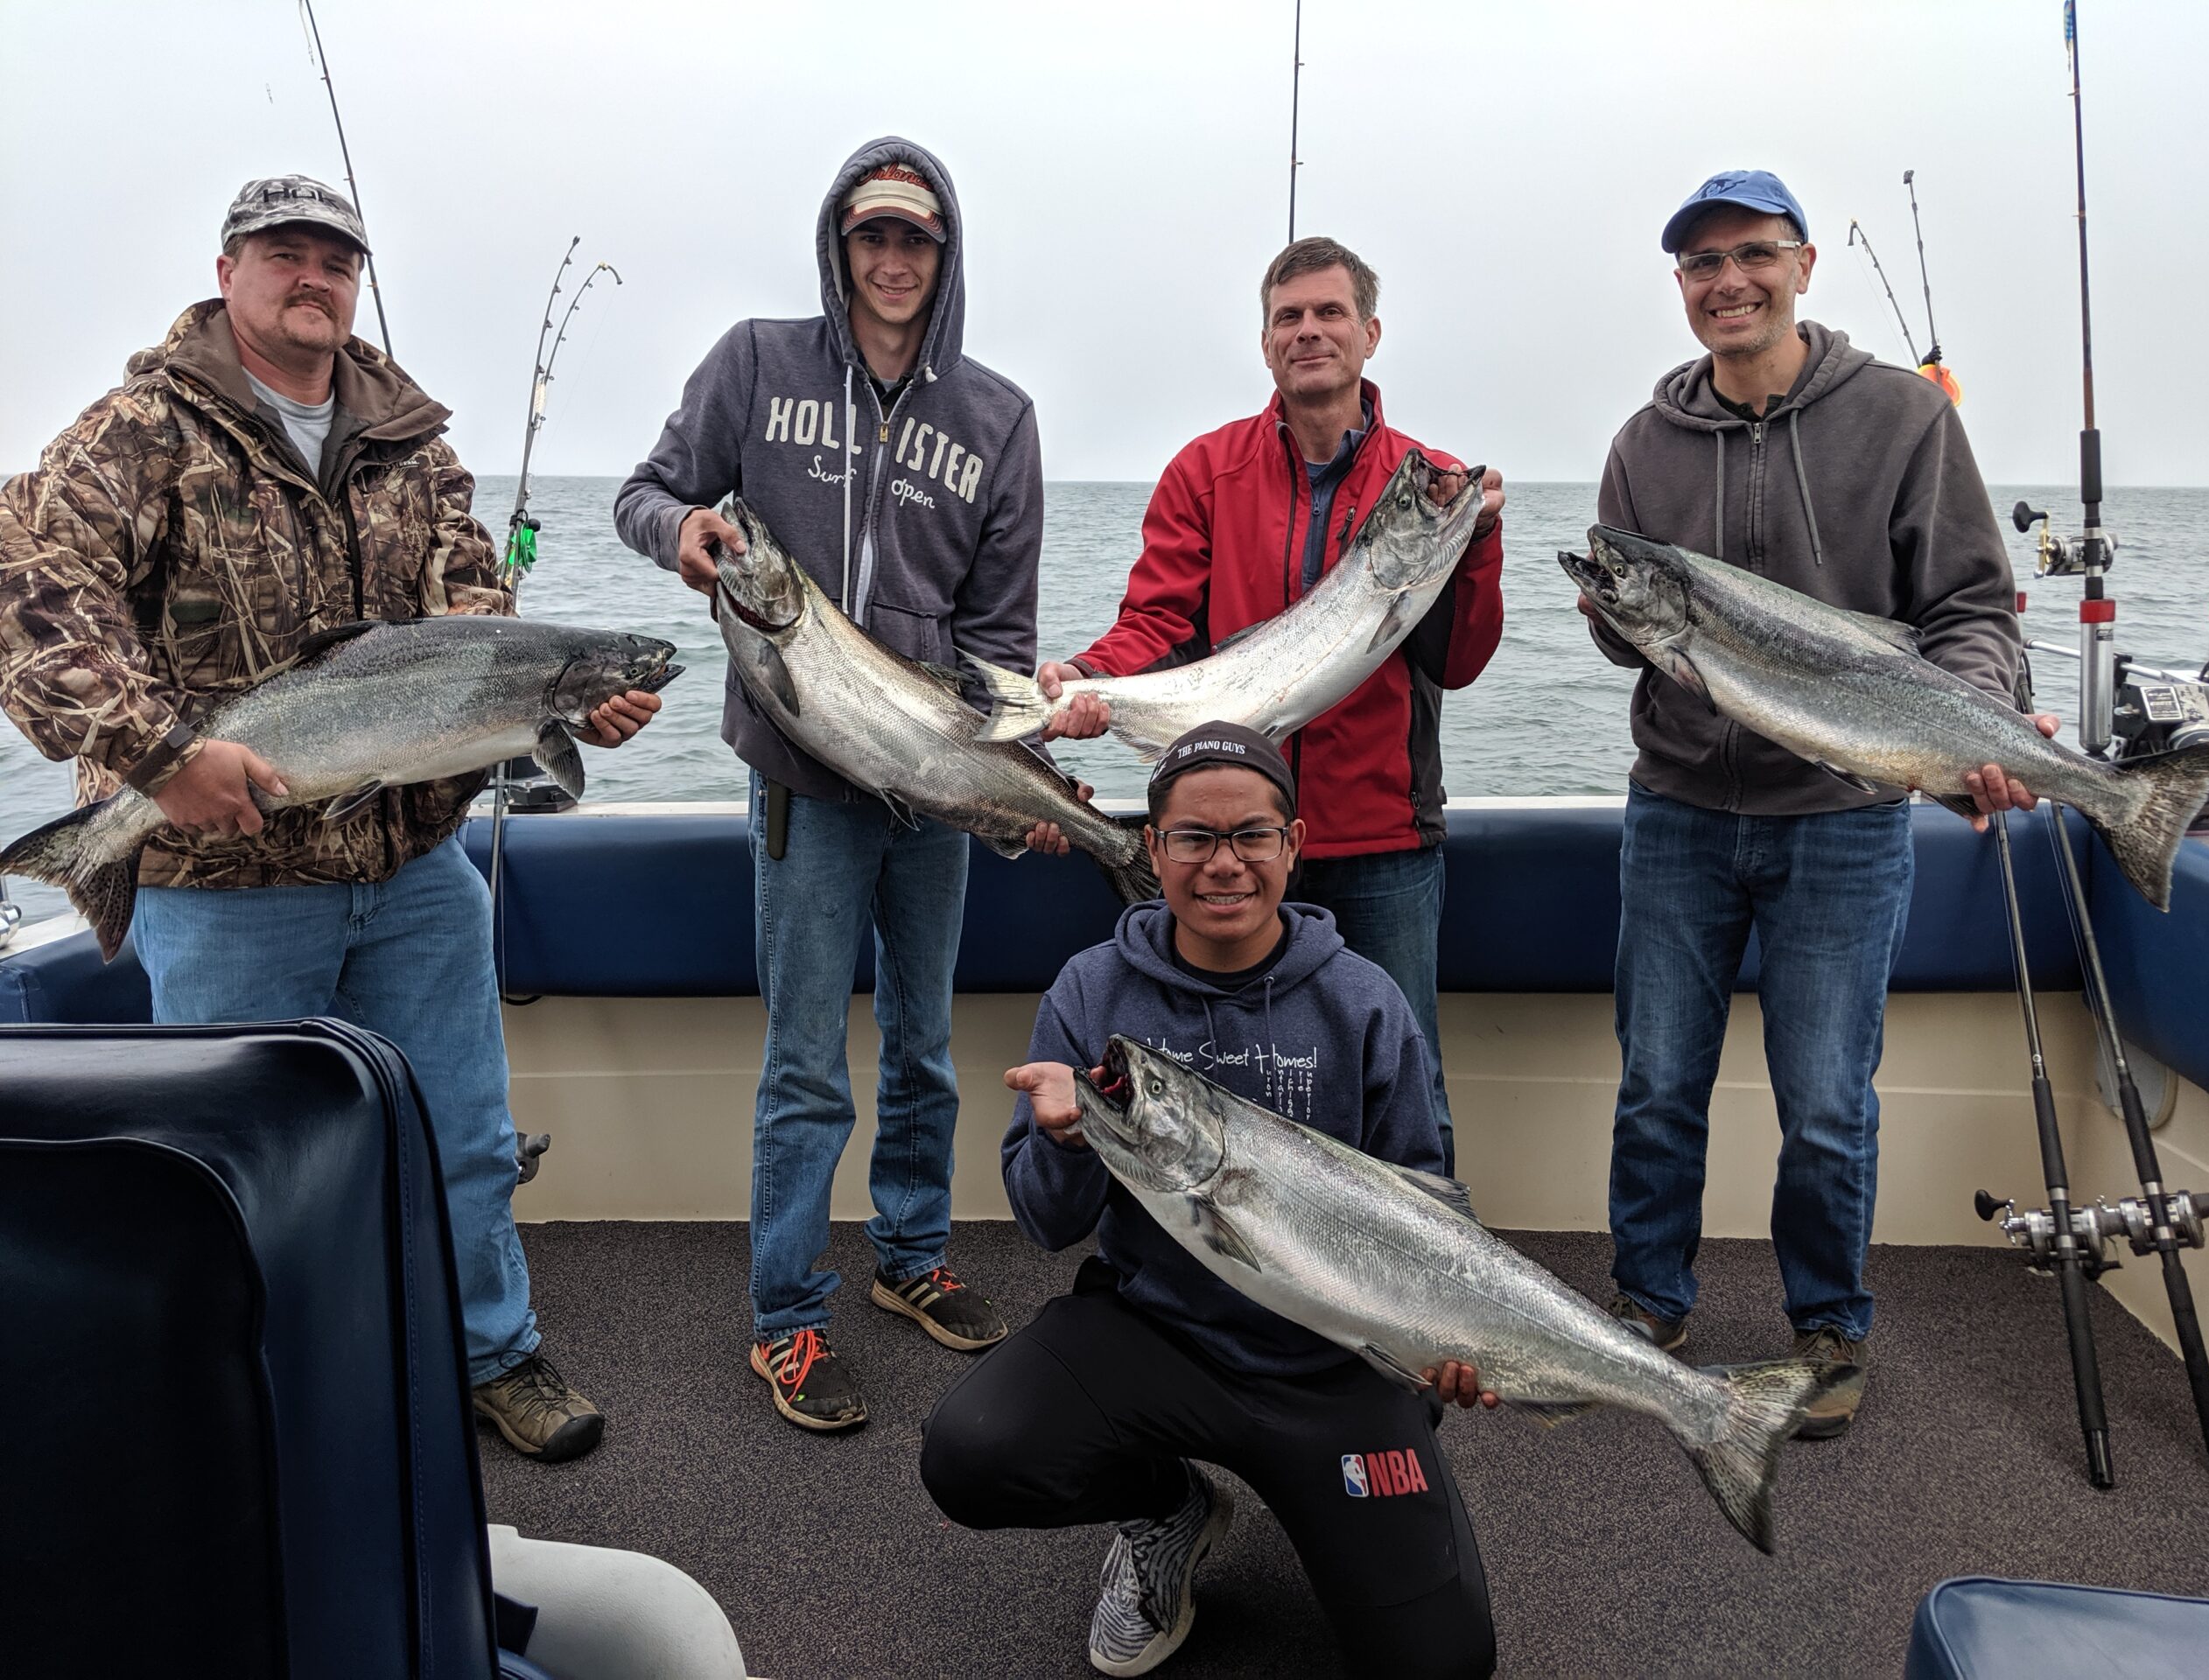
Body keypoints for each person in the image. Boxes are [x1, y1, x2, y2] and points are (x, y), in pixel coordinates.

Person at [0, 174, 661, 1461]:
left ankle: (493, 1353)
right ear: (229, 267)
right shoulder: (141, 434)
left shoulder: (412, 442)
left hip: (411, 865)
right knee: (235, 1155)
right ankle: (256, 1392)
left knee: (459, 1130)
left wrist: (562, 701)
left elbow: (474, 604)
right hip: (221, 883)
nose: (314, 275)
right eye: (285, 252)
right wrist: (162, 756)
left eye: (335, 258)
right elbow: (29, 600)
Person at [1581, 170, 2049, 1438]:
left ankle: (1830, 1327)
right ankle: (1647, 1306)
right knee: (1659, 1082)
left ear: (1801, 266)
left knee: (1828, 1099)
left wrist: (1977, 726)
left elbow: (1967, 611)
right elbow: (1638, 641)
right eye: (1699, 266)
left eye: (1751, 256)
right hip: (1679, 805)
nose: (1727, 282)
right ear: (1679, 289)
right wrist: (1615, 616)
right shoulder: (1642, 443)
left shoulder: (1901, 418)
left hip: (1846, 814)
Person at [614, 140, 1044, 1431]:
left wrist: (1009, 771)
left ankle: (911, 1260)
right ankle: (787, 1317)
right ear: (840, 245)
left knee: (924, 1047)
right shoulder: (756, 360)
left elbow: (1001, 644)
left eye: (917, 239)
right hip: (802, 780)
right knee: (807, 1064)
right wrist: (680, 535)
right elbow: (645, 495)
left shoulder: (999, 417)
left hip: (932, 795)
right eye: (874, 237)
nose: (895, 260)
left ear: (944, 253)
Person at [920, 723, 1498, 1680]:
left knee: (1440, 1665)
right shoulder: (1092, 991)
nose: (1223, 864)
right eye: (1193, 837)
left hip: (1331, 1366)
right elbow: (1044, 1223)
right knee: (973, 1453)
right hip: (1157, 1334)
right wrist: (1071, 1141)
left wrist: (1437, 1344)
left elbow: (1424, 1214)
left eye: (1250, 836)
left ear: (1292, 844)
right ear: (1151, 849)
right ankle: (1165, 1509)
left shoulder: (1363, 1001)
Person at [1035, 236, 1505, 1175]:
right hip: (1231, 838)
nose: (1309, 332)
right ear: (1264, 344)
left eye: (1330, 313)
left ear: (1370, 334)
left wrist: (1476, 543)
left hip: (1381, 841)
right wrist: (1087, 682)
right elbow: (1157, 624)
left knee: (1405, 1088)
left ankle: (1421, 1313)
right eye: (1288, 317)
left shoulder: (1428, 481)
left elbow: (1455, 662)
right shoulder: (1204, 472)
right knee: (1235, 1084)